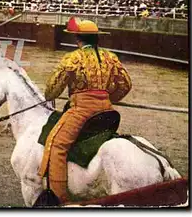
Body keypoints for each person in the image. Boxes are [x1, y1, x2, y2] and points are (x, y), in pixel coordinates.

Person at [39, 17, 132, 204]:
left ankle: (58, 199)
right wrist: (106, 97)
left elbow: (51, 91)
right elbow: (126, 85)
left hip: (81, 110)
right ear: (97, 38)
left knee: (56, 144)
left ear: (77, 38)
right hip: (107, 110)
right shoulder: (111, 57)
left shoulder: (73, 58)